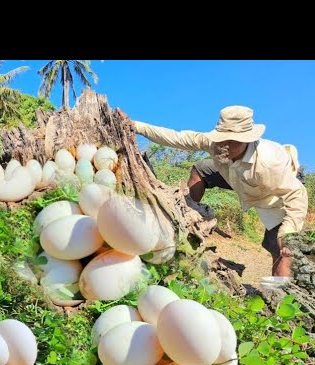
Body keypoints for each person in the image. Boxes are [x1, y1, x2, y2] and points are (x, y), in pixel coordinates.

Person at [118, 105, 309, 278]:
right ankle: (185, 218)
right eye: (220, 138)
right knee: (202, 168)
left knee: (280, 248)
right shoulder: (217, 145)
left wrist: (288, 233)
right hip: (237, 176)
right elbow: (179, 137)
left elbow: (297, 195)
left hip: (274, 195)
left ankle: (280, 303)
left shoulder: (268, 164)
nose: (223, 145)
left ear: (247, 141)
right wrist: (135, 125)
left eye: (231, 141)